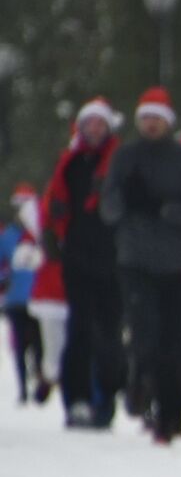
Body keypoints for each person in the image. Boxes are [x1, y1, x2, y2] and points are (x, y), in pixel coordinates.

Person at [100, 87, 181, 444]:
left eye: (158, 118)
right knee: (144, 333)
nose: (151, 124)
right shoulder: (125, 157)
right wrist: (125, 206)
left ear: (168, 122)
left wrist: (167, 210)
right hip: (134, 260)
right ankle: (140, 388)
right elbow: (107, 206)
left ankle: (172, 412)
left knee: (175, 342)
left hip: (176, 265)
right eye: (146, 118)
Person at [42, 97, 126, 428]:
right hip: (77, 257)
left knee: (109, 333)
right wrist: (53, 235)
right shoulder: (71, 163)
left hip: (113, 258)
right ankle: (76, 399)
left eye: (100, 124)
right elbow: (55, 202)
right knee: (79, 331)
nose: (94, 129)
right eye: (88, 123)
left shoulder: (119, 161)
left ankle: (106, 396)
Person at [0, 186, 44, 403]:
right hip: (16, 300)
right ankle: (23, 389)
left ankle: (38, 385)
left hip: (38, 299)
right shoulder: (7, 236)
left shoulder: (41, 235)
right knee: (19, 348)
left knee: (39, 347)